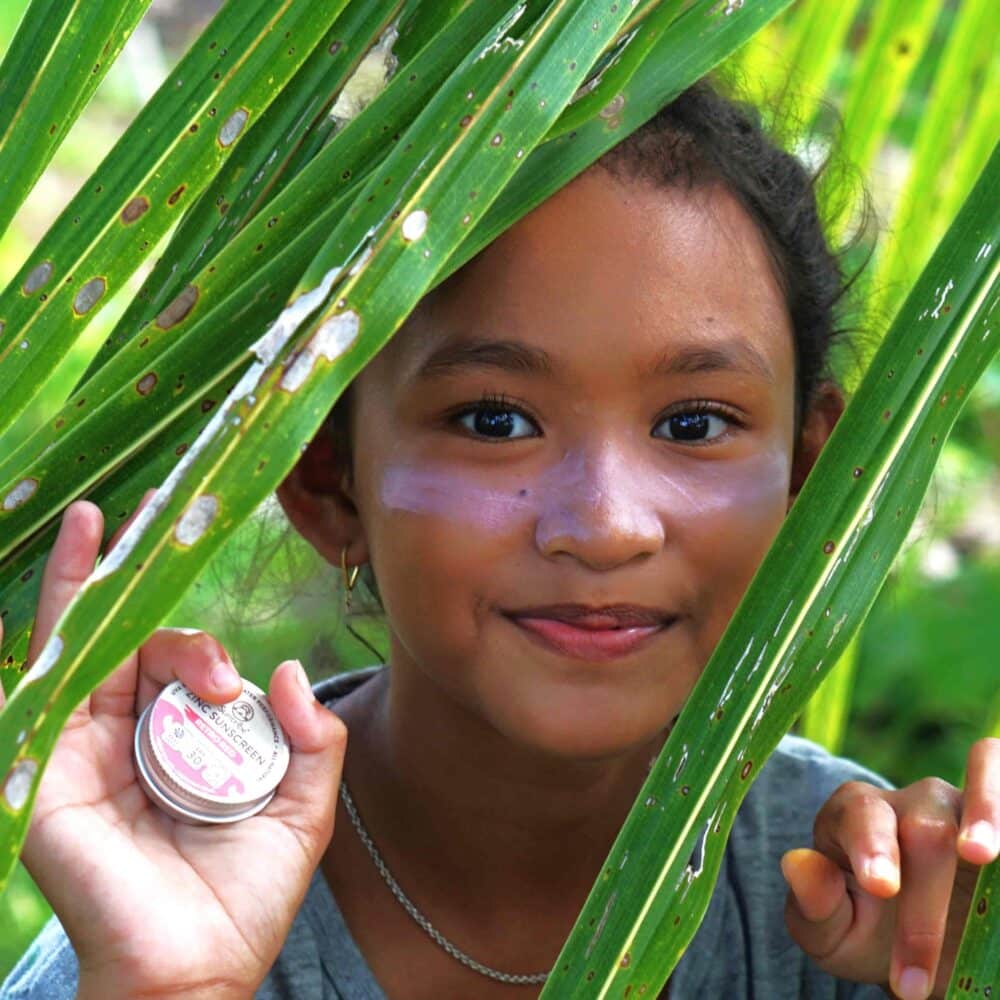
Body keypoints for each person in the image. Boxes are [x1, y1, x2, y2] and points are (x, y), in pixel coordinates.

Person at [1, 79, 996, 1000]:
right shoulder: (157, 927)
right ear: (326, 477)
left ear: (806, 479)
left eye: (693, 424)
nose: (605, 525)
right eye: (494, 420)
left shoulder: (888, 916)